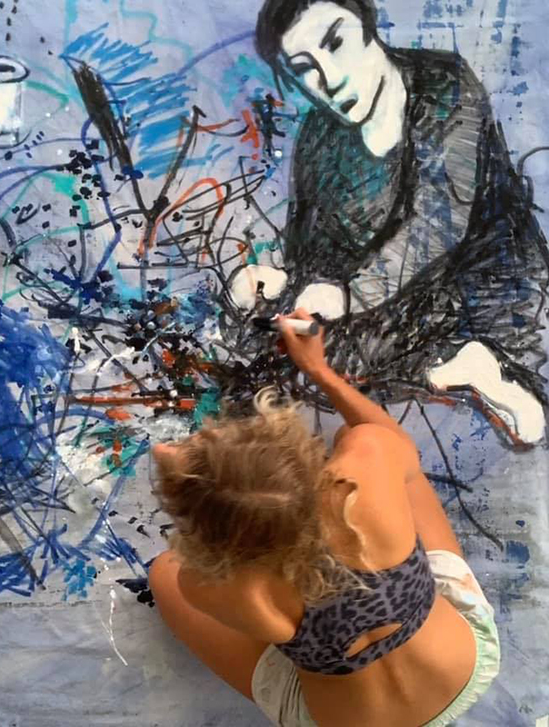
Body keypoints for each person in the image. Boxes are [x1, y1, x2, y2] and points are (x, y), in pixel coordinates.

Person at [148, 311, 500, 726]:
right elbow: (388, 439)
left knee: (164, 572)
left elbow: (209, 565)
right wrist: (318, 368)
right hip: (462, 670)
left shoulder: (230, 589)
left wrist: (190, 484)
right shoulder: (365, 474)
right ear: (295, 450)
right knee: (367, 437)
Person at [244, 0, 549, 445]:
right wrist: (282, 286)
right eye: (305, 68)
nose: (330, 78)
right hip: (395, 313)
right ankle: (451, 366)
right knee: (284, 343)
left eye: (336, 42)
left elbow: (439, 222)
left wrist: (346, 294)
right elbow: (313, 252)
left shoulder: (445, 84)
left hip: (487, 291)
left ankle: (485, 364)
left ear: (369, 26)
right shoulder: (319, 138)